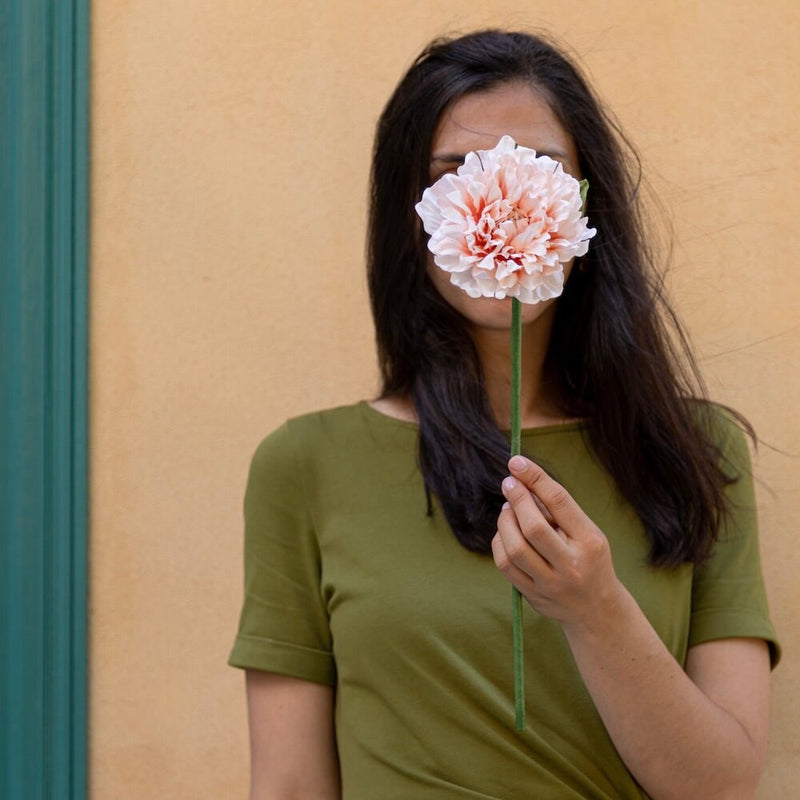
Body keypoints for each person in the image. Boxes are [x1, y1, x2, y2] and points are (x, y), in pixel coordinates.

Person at [229, 30, 779, 799]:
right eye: (456, 172)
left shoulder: (695, 450)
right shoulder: (304, 465)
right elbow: (288, 785)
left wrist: (596, 610)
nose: (501, 198)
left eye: (541, 171)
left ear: (590, 205)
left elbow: (721, 788)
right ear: (411, 215)